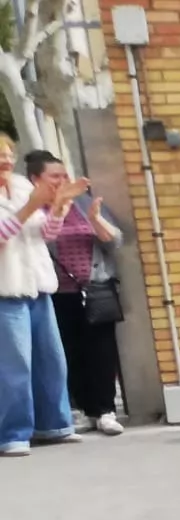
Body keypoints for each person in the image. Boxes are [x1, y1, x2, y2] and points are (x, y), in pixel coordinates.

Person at [0, 137, 86, 457]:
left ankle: (54, 424)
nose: (7, 161)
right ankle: (12, 433)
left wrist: (59, 207)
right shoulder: (30, 195)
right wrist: (30, 206)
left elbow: (46, 234)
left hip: (38, 287)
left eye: (9, 155)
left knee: (51, 360)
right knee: (15, 367)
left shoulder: (24, 186)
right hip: (6, 290)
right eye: (0, 156)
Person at [36, 150, 125, 436]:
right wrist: (57, 207)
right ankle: (87, 410)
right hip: (58, 293)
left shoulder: (86, 202)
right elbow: (40, 241)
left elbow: (115, 241)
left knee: (102, 351)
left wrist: (96, 219)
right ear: (36, 180)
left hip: (95, 288)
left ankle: (106, 410)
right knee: (70, 353)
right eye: (55, 176)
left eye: (65, 175)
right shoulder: (34, 211)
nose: (63, 181)